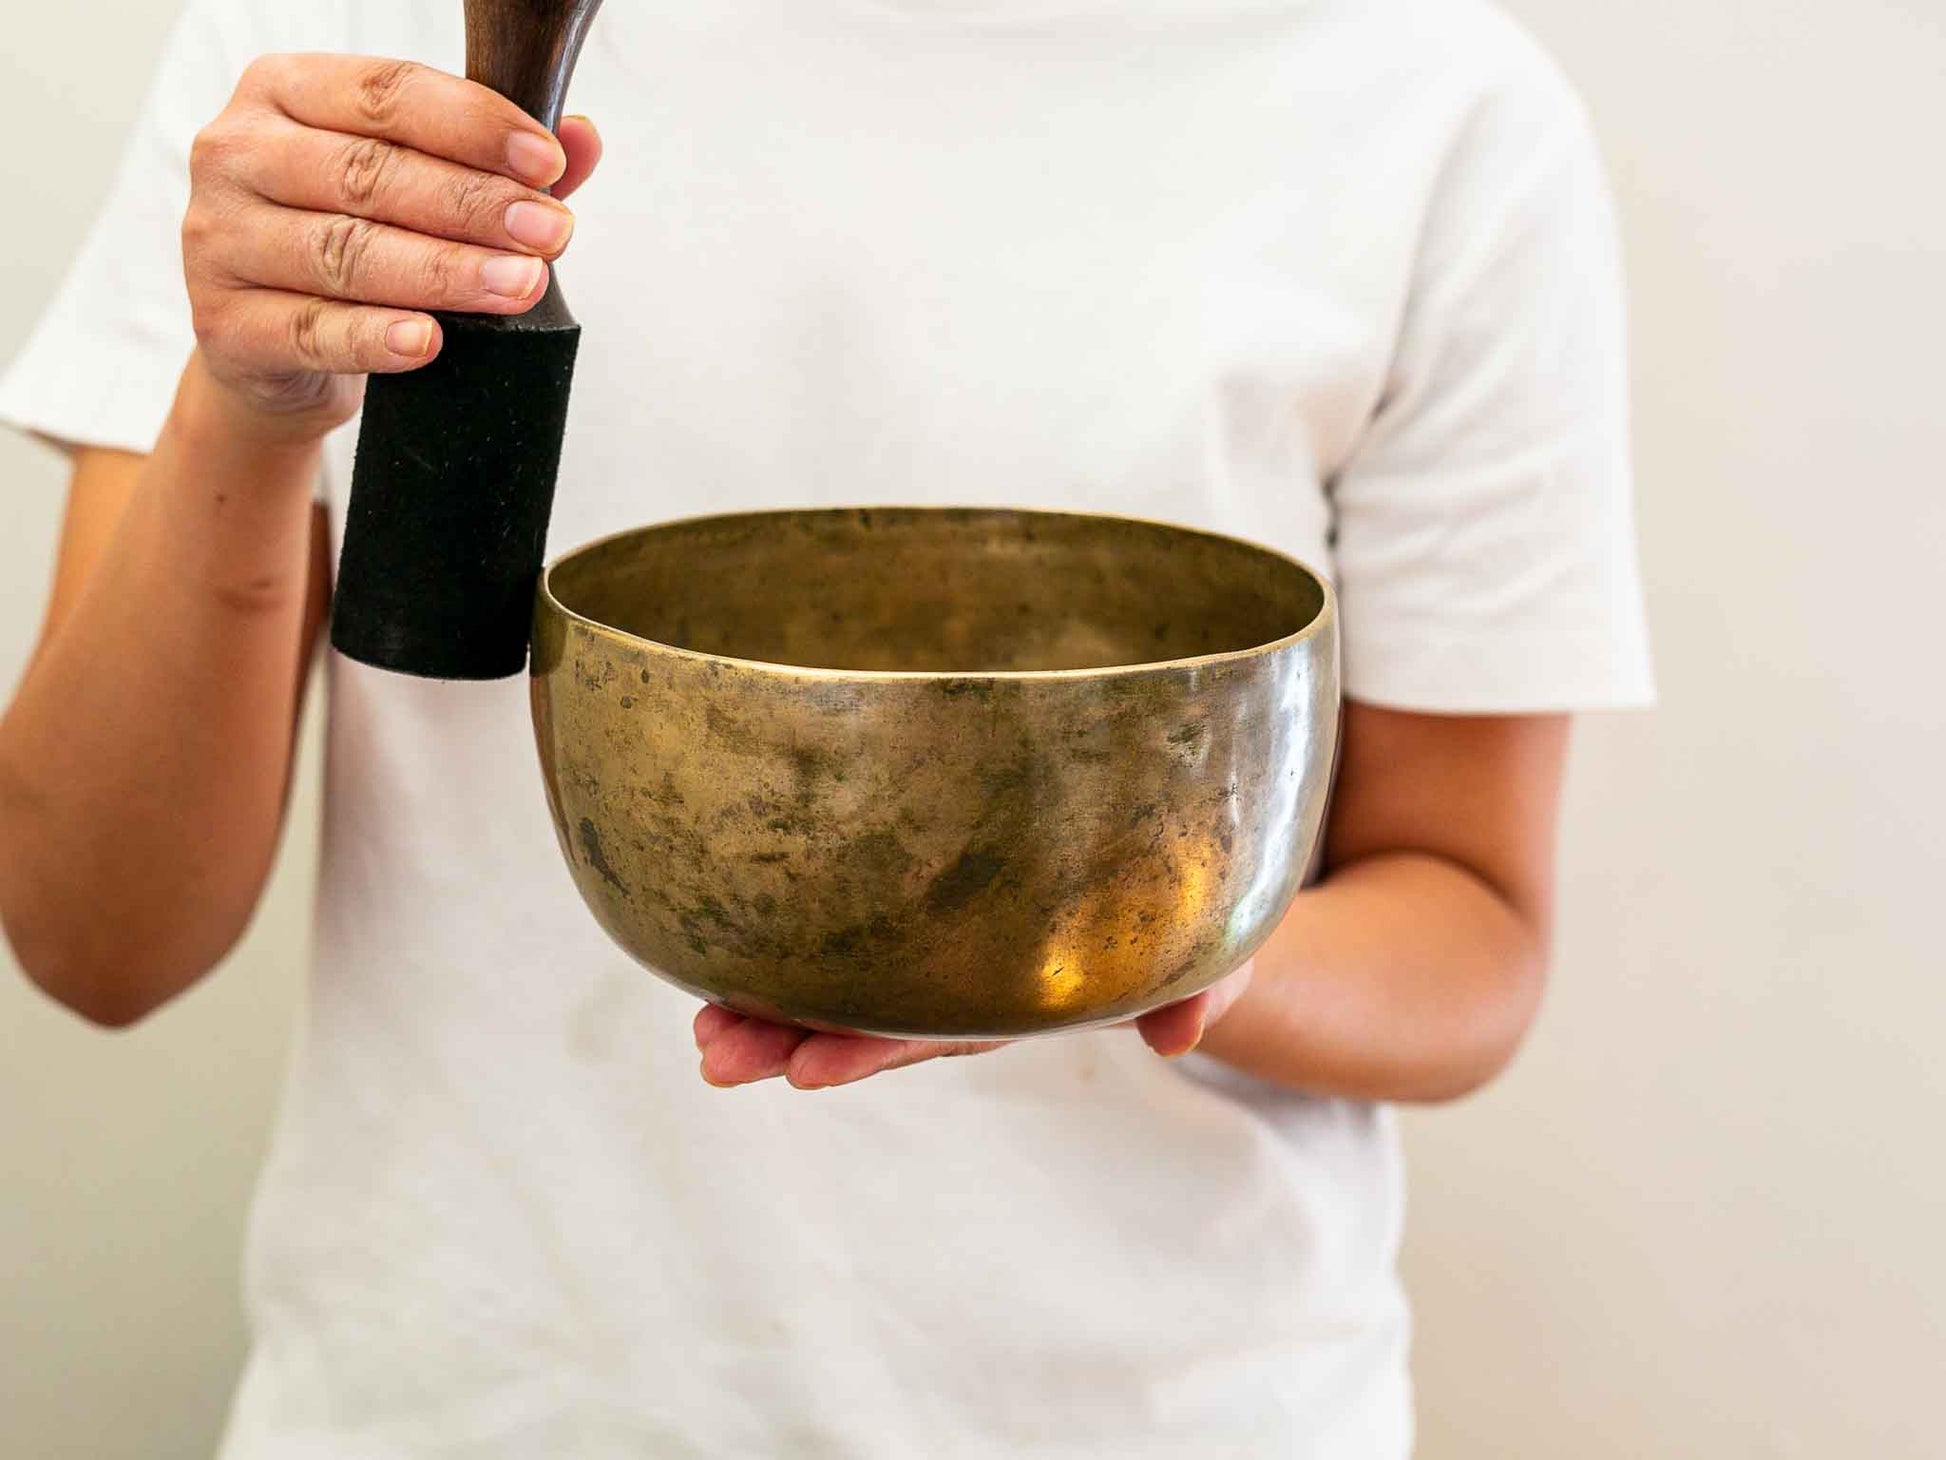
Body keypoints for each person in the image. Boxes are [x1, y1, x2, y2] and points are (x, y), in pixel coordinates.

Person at [0, 0, 1652, 1454]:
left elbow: (1467, 934)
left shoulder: (1428, 102)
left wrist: (1139, 938)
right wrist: (251, 404)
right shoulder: (329, 72)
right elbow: (94, 933)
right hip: (470, 1404)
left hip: (1159, 1416)